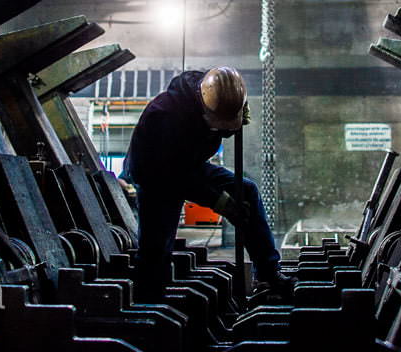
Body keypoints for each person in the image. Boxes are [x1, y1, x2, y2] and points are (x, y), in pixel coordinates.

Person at [122, 66, 293, 303]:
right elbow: (176, 177)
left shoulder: (218, 94)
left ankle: (267, 274)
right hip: (156, 173)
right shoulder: (164, 116)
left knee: (246, 191)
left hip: (189, 163)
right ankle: (149, 303)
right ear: (202, 108)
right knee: (157, 244)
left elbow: (214, 133)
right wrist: (219, 201)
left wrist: (233, 120)